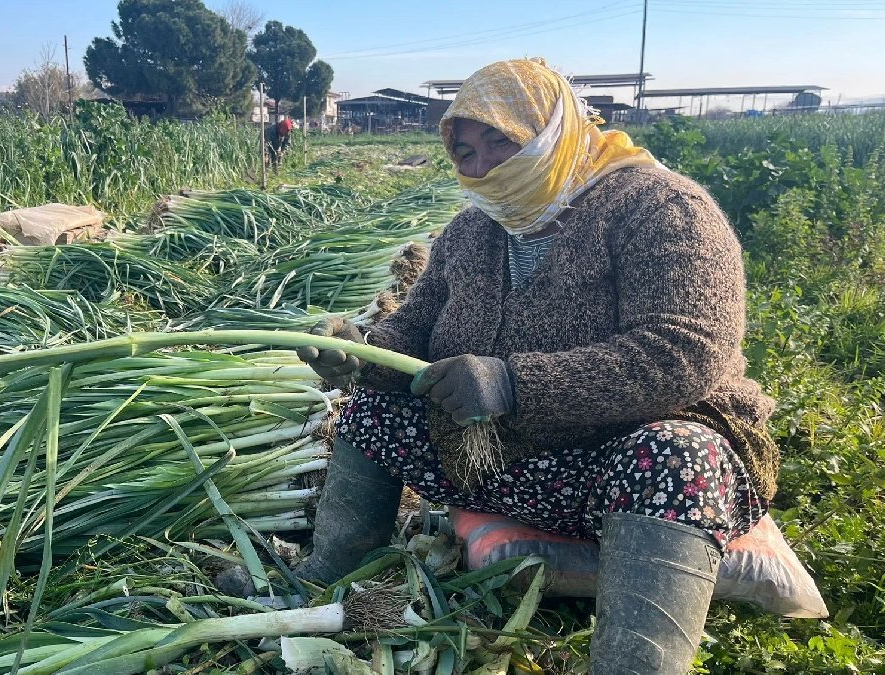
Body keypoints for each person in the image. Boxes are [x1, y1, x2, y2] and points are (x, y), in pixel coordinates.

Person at [294, 58, 779, 675]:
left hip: (622, 466)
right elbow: (411, 334)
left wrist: (512, 383)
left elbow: (687, 350)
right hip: (503, 462)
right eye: (465, 151)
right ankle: (324, 575)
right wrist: (359, 354)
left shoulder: (661, 209)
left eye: (501, 138)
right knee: (376, 412)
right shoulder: (472, 231)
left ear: (556, 127)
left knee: (675, 454)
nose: (482, 165)